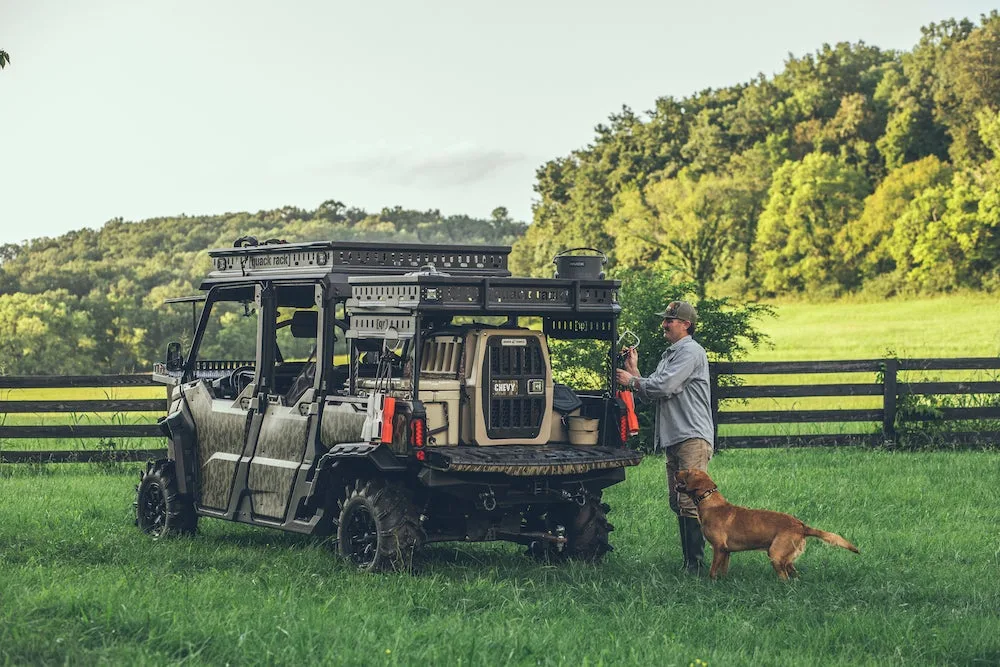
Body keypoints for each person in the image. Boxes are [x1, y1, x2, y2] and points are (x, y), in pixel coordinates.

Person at [615, 300, 714, 574]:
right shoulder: (671, 354)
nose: (665, 324)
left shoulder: (691, 352)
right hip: (675, 437)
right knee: (677, 500)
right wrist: (634, 370)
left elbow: (665, 385)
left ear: (686, 325)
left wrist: (631, 381)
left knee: (689, 502)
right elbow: (652, 393)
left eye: (670, 320)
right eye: (665, 319)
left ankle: (695, 565)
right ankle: (694, 561)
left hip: (692, 435)